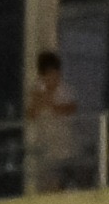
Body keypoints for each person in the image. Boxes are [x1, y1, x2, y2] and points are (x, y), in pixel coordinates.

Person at [23, 49, 81, 193]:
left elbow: (70, 109)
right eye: (49, 74)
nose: (53, 78)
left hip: (67, 150)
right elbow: (31, 114)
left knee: (64, 187)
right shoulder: (36, 92)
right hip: (47, 152)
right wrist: (40, 99)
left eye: (55, 73)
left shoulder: (66, 91)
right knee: (48, 190)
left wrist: (50, 102)